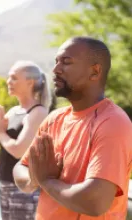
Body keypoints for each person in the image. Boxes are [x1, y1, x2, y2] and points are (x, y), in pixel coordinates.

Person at [13, 36, 132, 220]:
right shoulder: (54, 119)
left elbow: (95, 202)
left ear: (95, 71)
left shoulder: (112, 123)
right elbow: (20, 167)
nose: (55, 69)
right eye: (56, 62)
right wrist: (34, 179)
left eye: (66, 62)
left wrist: (47, 181)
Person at [0, 60, 52, 220]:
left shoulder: (39, 112)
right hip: (6, 185)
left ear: (30, 82)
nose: (8, 82)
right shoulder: (14, 111)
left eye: (14, 78)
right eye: (9, 78)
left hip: (25, 189)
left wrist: (0, 133)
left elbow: (18, 150)